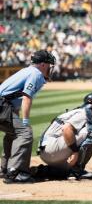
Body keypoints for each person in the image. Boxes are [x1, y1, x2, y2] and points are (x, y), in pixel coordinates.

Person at [0, 50, 56, 183]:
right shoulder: (35, 74)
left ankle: (6, 168)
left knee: (13, 133)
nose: (50, 68)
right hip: (2, 105)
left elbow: (14, 96)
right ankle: (16, 172)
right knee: (25, 132)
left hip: (3, 105)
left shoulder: (28, 71)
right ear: (43, 64)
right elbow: (26, 97)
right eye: (49, 65)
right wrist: (25, 120)